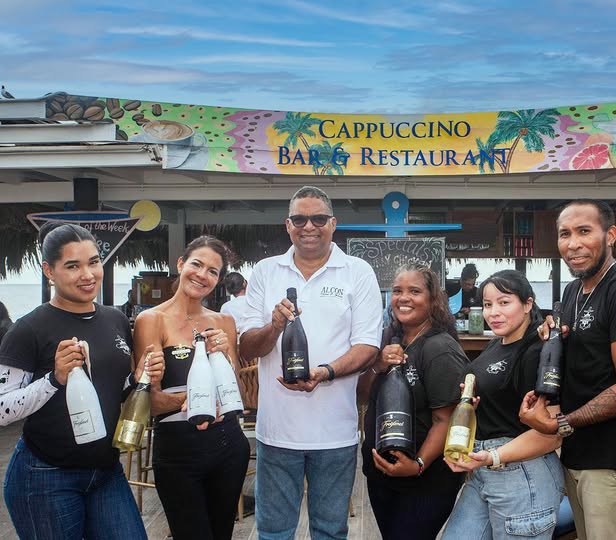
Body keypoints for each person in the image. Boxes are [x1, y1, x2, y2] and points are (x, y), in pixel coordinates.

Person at [0, 223, 164, 540]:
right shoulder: (28, 329)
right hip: (46, 475)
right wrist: (54, 379)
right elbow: (3, 409)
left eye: (93, 262)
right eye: (73, 266)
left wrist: (138, 378)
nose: (87, 275)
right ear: (49, 271)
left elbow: (112, 389)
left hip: (106, 470)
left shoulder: (115, 319)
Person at [240, 185, 383, 540]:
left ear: (333, 224)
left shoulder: (357, 271)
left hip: (335, 433)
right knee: (273, 533)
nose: (309, 227)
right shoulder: (265, 271)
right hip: (277, 432)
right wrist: (274, 326)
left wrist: (325, 372)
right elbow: (247, 345)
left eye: (318, 219)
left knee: (330, 531)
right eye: (300, 219)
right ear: (287, 225)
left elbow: (368, 346)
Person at [520, 199, 616, 540]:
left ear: (610, 235)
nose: (573, 244)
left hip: (612, 460)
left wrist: (561, 423)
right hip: (577, 454)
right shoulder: (572, 291)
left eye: (584, 231)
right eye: (565, 234)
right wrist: (551, 340)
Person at [133, 235, 250, 540]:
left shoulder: (224, 321)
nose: (202, 275)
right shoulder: (151, 320)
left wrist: (227, 355)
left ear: (218, 280)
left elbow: (238, 395)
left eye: (212, 271)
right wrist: (196, 401)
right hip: (178, 450)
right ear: (181, 264)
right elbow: (149, 404)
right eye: (196, 264)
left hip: (229, 446)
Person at [442, 269, 564, 540]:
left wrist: (493, 456)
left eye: (504, 302)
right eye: (487, 304)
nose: (493, 312)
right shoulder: (497, 344)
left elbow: (552, 433)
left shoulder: (538, 351)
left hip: (523, 476)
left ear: (528, 304)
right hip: (484, 470)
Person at [358, 264, 468, 540]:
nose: (403, 298)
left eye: (414, 291)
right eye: (397, 291)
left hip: (425, 478)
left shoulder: (440, 348)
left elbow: (446, 420)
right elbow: (362, 395)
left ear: (433, 299)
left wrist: (418, 464)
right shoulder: (386, 338)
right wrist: (378, 365)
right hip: (381, 473)